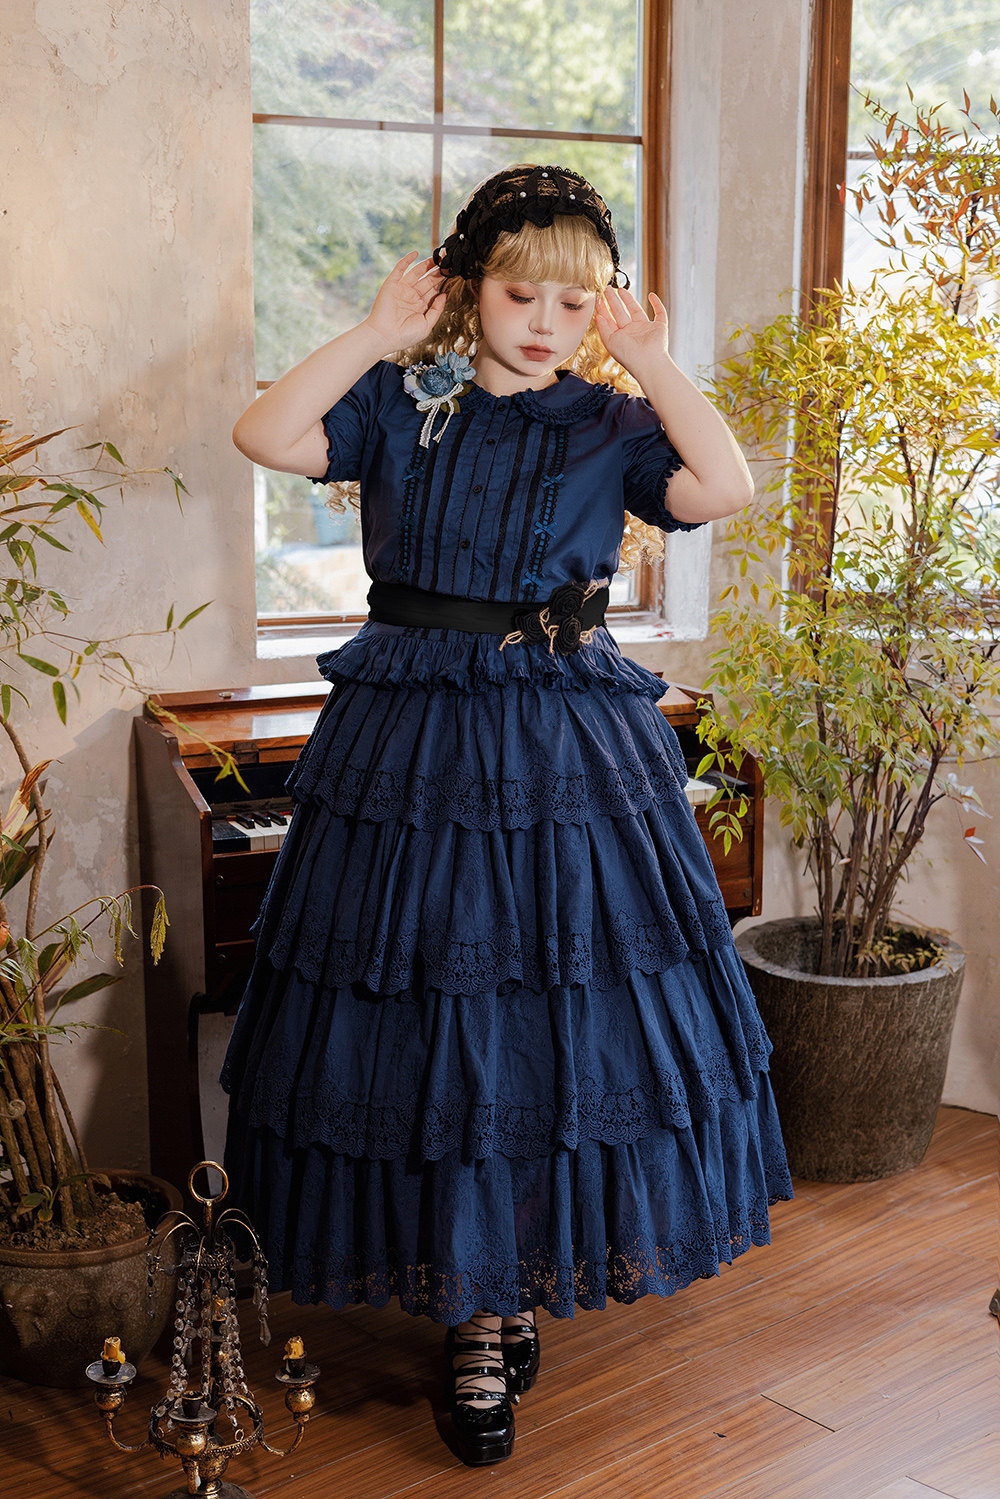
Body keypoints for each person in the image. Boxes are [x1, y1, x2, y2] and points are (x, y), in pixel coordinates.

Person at [220, 162, 792, 1468]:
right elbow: (263, 433)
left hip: (566, 747)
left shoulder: (610, 422)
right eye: (522, 292)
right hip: (412, 745)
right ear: (470, 287)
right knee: (435, 1029)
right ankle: (476, 1310)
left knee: (551, 1033)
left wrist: (654, 363)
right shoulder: (400, 402)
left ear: (603, 310)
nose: (545, 322)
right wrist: (377, 331)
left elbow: (725, 486)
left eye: (574, 302)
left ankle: (501, 1300)